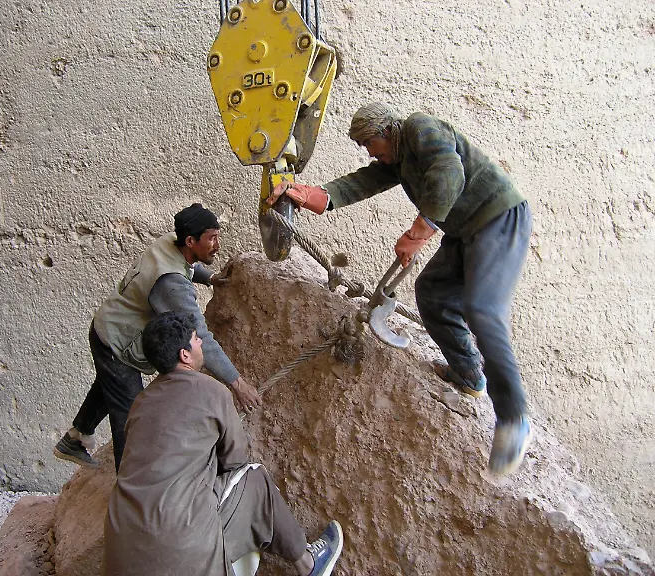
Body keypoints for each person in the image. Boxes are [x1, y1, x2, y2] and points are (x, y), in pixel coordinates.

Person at [268, 103, 533, 475]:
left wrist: (418, 231)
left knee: (482, 309)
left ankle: (514, 418)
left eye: (369, 144)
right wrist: (311, 195)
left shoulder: (419, 128)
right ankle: (469, 374)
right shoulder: (398, 159)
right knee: (433, 294)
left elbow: (449, 172)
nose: (369, 153)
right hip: (464, 232)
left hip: (497, 219)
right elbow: (362, 182)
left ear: (386, 132)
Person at [102, 311, 343, 576]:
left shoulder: (140, 403)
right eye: (196, 339)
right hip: (179, 543)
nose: (201, 343)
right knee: (255, 479)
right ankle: (309, 564)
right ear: (184, 355)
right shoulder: (212, 391)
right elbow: (235, 461)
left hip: (120, 552)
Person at [54, 203, 261, 472]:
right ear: (190, 241)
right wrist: (238, 383)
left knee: (110, 387)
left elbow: (186, 267)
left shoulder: (171, 242)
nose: (217, 245)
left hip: (107, 326)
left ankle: (75, 438)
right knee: (131, 418)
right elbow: (200, 336)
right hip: (117, 342)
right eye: (211, 238)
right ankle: (130, 484)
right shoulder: (171, 285)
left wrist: (209, 278)